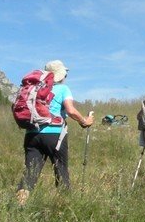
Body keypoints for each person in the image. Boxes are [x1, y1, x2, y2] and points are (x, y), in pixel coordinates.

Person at [16, 60, 94, 202]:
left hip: (32, 134)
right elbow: (70, 110)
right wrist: (84, 121)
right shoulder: (63, 89)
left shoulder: (35, 89)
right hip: (55, 135)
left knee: (30, 173)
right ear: (61, 75)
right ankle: (64, 207)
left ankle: (18, 207)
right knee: (61, 169)